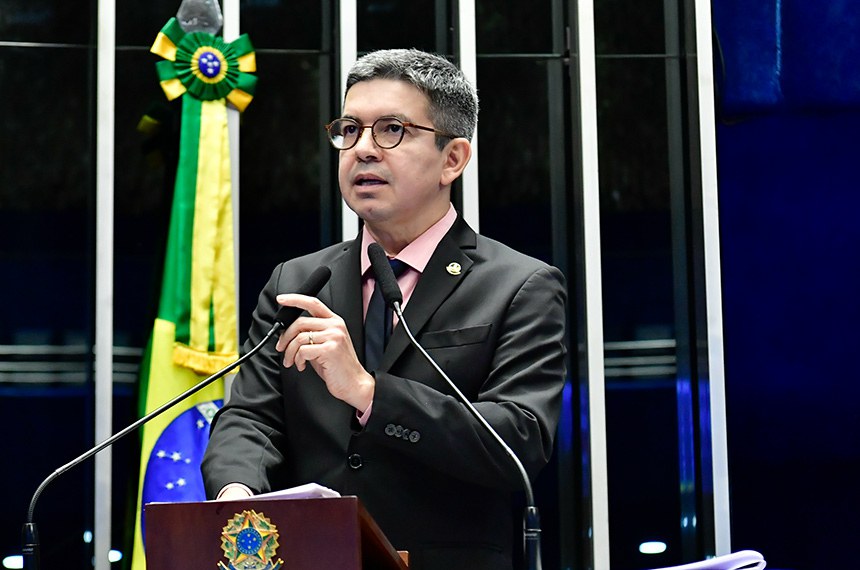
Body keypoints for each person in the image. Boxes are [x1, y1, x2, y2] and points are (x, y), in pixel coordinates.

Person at [201, 48, 567, 570]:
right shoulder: (300, 282)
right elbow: (251, 417)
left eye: (391, 129)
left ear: (453, 159)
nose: (363, 150)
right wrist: (236, 495)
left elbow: (519, 440)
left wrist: (372, 393)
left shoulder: (519, 285)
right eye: (350, 129)